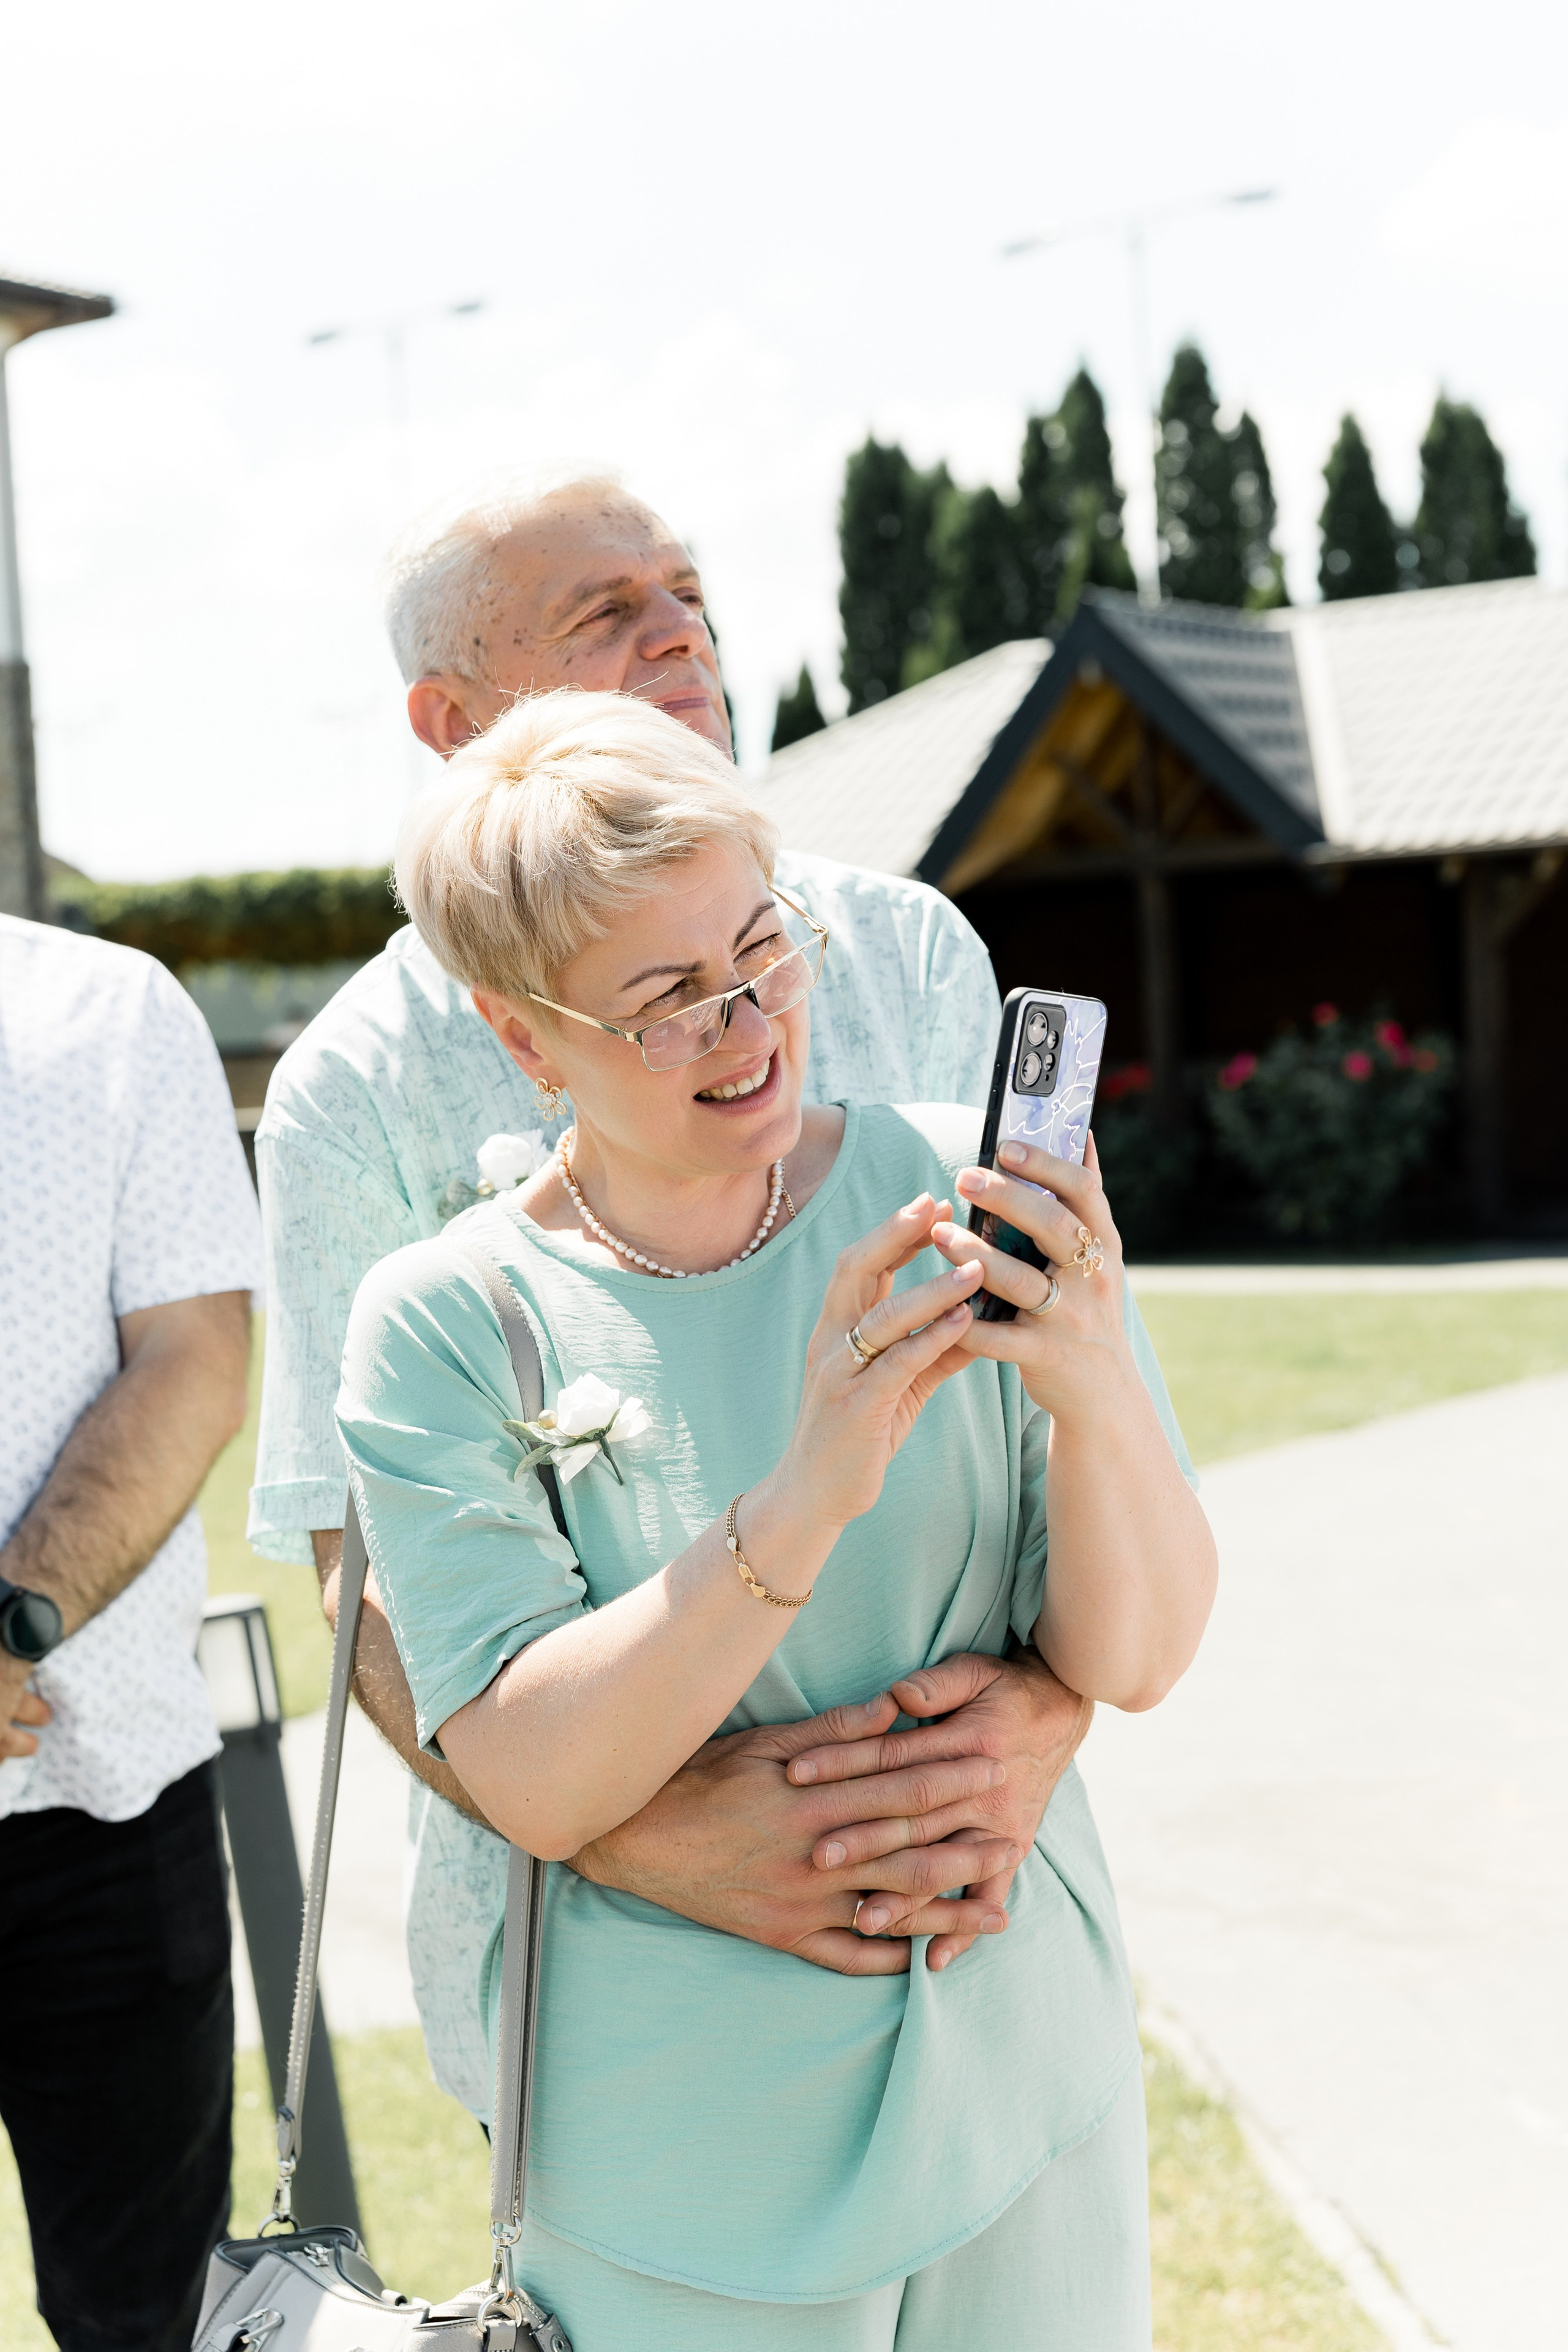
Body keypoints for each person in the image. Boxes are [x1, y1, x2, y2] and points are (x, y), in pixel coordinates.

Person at [337, 688, 1216, 2346]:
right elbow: (530, 1780)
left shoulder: (969, 1187)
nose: (747, 1025)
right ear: (523, 1036)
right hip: (682, 2169)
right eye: (668, 1002)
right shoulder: (447, 1321)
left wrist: (1093, 1375)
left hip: (1031, 2083)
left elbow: (1141, 1651)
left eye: (764, 948)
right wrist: (808, 1492)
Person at [248, 474, 1097, 2117]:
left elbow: (1048, 1414)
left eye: (687, 589)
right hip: (603, 1971)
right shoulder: (351, 1089)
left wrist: (1046, 1718)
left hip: (977, 1914)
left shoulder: (913, 954)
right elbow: (369, 1583)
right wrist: (659, 1844)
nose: (680, 630)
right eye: (604, 611)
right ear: (452, 717)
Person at [0, 913, 263, 2352]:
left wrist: (9, 1623)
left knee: (146, 2324)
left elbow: (197, 1360)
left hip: (105, 1804)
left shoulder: (111, 1012)